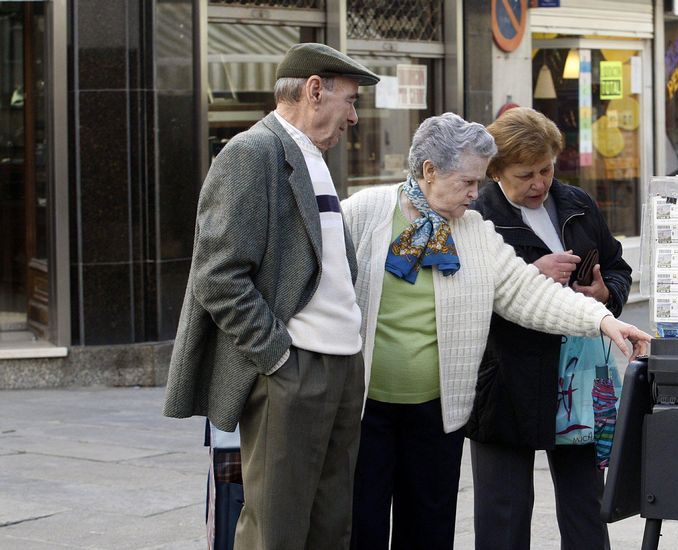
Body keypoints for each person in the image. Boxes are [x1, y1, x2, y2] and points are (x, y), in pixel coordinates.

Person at [342, 112, 652, 550]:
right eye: (468, 182)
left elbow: (528, 292)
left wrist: (603, 319)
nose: (476, 192)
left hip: (437, 412)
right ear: (429, 171)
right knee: (362, 527)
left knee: (428, 531)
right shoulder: (364, 212)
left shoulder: (472, 230)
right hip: (365, 410)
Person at [163, 43, 379, 550]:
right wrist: (277, 356)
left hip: (342, 366)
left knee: (332, 527)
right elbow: (217, 275)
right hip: (294, 369)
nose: (353, 117)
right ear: (314, 90)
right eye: (350, 101)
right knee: (275, 531)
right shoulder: (251, 152)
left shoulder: (313, 157)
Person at [465, 107, 631, 550]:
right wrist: (530, 274)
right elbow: (465, 294)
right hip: (505, 379)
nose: (539, 183)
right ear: (495, 171)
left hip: (577, 376)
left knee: (586, 509)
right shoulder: (476, 216)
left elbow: (617, 266)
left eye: (546, 169)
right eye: (525, 175)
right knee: (504, 514)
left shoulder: (576, 203)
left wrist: (606, 294)